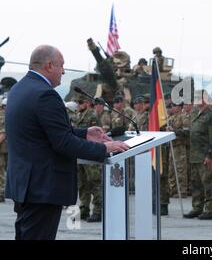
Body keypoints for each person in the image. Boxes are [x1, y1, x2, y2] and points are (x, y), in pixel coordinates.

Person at [5, 45, 129, 240]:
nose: (63, 71)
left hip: (26, 184)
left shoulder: (19, 89)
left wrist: (84, 133)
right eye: (61, 66)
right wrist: (104, 148)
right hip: (42, 187)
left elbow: (42, 133)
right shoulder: (45, 94)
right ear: (49, 65)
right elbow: (62, 143)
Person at [183, 90, 212, 220]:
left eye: (198, 97)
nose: (196, 100)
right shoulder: (195, 114)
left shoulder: (211, 115)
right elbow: (192, 133)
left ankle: (209, 210)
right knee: (196, 184)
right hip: (195, 155)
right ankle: (197, 208)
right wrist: (176, 132)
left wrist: (210, 156)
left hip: (205, 156)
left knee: (208, 183)